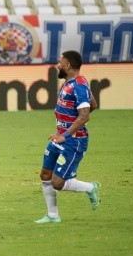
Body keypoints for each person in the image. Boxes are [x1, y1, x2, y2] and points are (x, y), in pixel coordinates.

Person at [35, 50, 100, 223]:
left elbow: (85, 114)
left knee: (58, 182)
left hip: (73, 142)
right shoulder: (70, 83)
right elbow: (93, 104)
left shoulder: (78, 85)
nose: (57, 64)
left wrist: (67, 133)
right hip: (60, 137)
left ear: (68, 65)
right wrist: (66, 129)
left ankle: (90, 187)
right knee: (45, 174)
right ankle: (52, 216)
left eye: (60, 62)